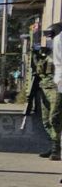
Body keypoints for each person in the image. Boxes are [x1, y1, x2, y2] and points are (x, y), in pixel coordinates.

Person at [42, 23, 62, 160]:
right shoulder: (48, 51)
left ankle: (57, 148)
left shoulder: (59, 43)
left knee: (54, 118)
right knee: (46, 120)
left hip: (56, 88)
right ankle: (53, 145)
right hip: (45, 88)